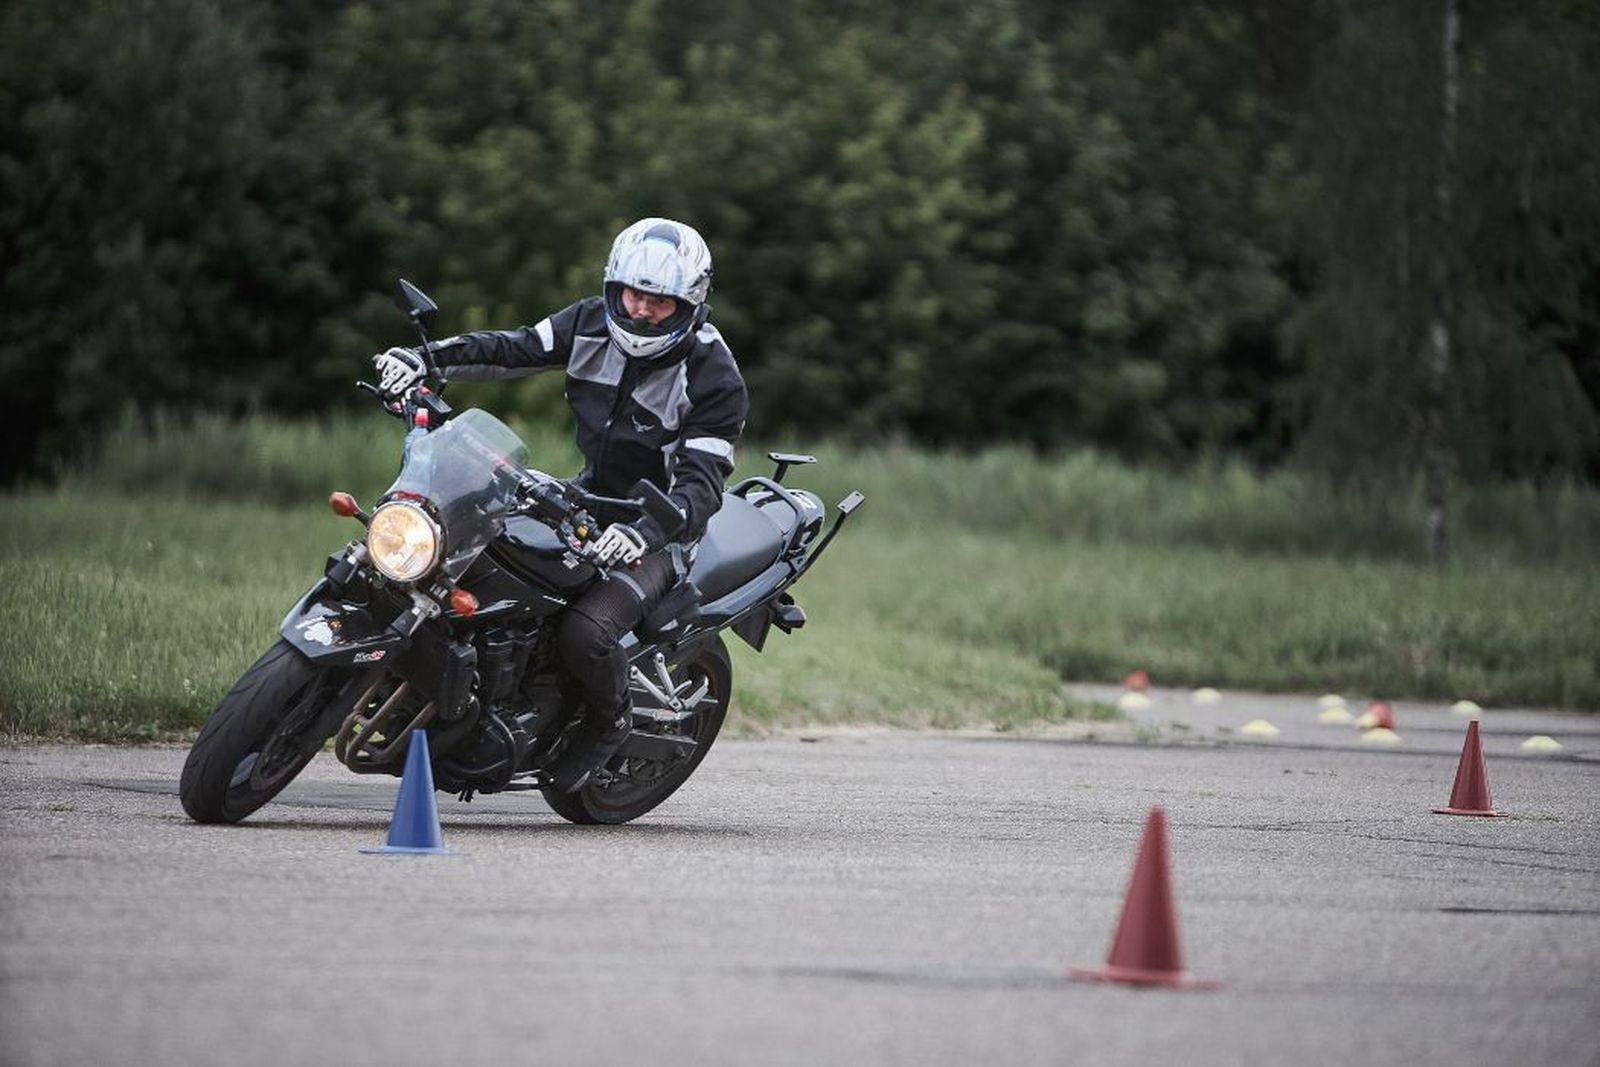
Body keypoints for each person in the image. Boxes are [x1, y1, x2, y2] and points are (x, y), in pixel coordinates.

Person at [372, 218, 747, 792]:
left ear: (691, 304)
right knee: (463, 551)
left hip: (663, 531)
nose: (643, 310)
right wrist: (426, 361)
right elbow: (510, 348)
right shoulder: (589, 322)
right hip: (586, 496)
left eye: (660, 303)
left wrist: (646, 532)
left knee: (586, 633)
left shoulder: (713, 375)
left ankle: (607, 726)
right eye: (635, 294)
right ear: (614, 286)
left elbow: (702, 484)